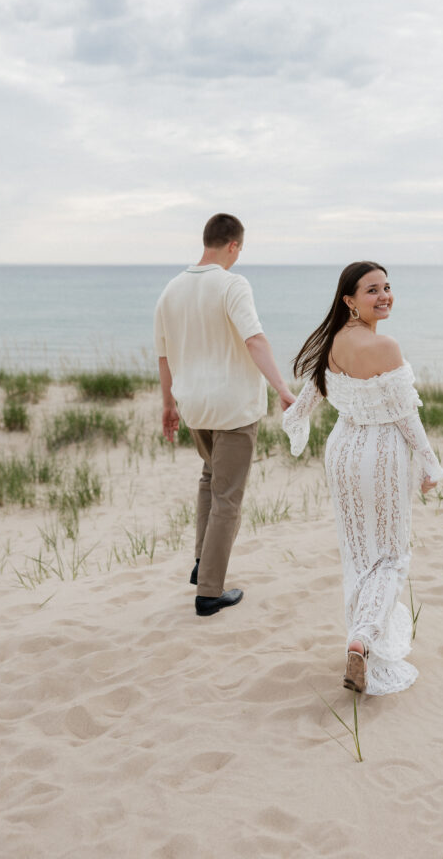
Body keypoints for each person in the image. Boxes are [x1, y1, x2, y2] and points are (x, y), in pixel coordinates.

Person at [282, 261, 443, 695]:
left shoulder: (334, 343)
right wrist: (429, 463)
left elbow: (309, 396)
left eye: (387, 287)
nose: (384, 295)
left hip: (342, 454)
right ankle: (363, 637)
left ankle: (361, 636)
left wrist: (296, 425)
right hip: (381, 455)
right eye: (372, 290)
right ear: (349, 301)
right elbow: (405, 413)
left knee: (359, 555)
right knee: (390, 556)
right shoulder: (385, 347)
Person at [154, 213, 295, 617]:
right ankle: (210, 592)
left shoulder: (171, 289)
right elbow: (254, 339)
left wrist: (167, 406)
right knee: (227, 495)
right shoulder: (233, 283)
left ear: (207, 240)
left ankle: (203, 564)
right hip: (233, 407)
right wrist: (282, 389)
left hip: (194, 406)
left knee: (210, 479)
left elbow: (164, 356)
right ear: (233, 245)